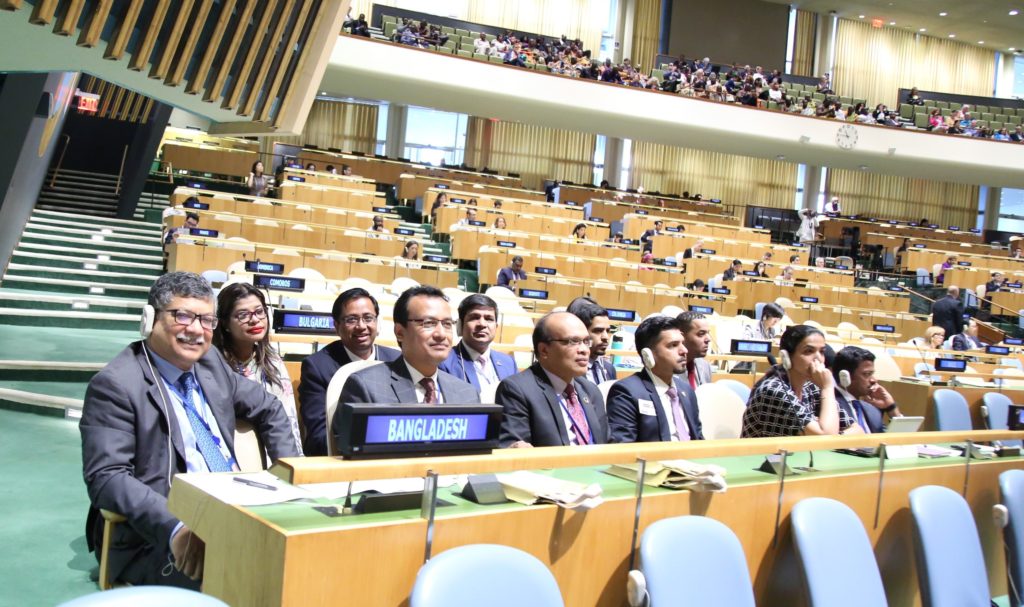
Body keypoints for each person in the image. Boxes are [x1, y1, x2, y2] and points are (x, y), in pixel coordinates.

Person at [80, 272, 298, 588]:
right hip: (157, 534)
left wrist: (289, 475)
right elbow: (107, 477)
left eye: (206, 320)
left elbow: (270, 407)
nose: (196, 330)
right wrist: (175, 528)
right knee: (262, 575)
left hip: (236, 509)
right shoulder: (116, 384)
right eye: (182, 316)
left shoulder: (210, 363)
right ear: (150, 319)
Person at [333, 287, 479, 430]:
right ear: (400, 332)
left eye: (447, 324)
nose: (441, 334)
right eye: (428, 323)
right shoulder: (365, 387)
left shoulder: (468, 394)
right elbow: (347, 444)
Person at [298, 288, 400, 455]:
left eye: (368, 318)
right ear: (337, 326)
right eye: (351, 319)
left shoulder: (396, 360)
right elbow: (320, 435)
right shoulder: (317, 367)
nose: (361, 326)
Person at [495, 312, 608, 447]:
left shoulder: (590, 390)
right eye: (573, 342)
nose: (584, 350)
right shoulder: (517, 390)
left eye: (586, 341)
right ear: (544, 350)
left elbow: (607, 443)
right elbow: (514, 448)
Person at [213, 283, 302, 453]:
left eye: (259, 312)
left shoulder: (273, 361)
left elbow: (289, 420)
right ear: (224, 323)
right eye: (243, 315)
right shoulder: (214, 364)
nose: (254, 320)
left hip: (278, 450)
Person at [606, 316, 703, 442]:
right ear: (648, 355)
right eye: (673, 345)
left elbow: (698, 438)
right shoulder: (626, 392)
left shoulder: (686, 389)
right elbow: (623, 447)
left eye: (682, 344)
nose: (684, 350)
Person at [741, 325, 848, 437]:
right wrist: (827, 388)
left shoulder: (812, 386)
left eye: (821, 351)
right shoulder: (773, 390)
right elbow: (826, 438)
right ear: (786, 356)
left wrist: (834, 432)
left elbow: (855, 429)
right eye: (808, 351)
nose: (819, 359)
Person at [439, 294, 518, 391]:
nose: (482, 324)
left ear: (496, 327)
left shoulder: (508, 363)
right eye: (474, 317)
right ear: (460, 325)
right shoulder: (444, 362)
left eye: (489, 319)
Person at [831, 346, 901, 434]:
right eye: (867, 374)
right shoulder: (830, 406)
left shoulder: (871, 409)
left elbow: (896, 439)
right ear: (845, 376)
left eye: (872, 374)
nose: (874, 380)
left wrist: (891, 407)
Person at [567, 297, 615, 384]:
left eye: (607, 331)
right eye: (598, 331)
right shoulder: (569, 370)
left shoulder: (609, 369)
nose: (605, 337)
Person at [677, 311, 712, 388]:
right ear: (682, 336)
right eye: (701, 334)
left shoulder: (705, 366)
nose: (708, 339)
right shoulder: (669, 368)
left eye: (708, 333)